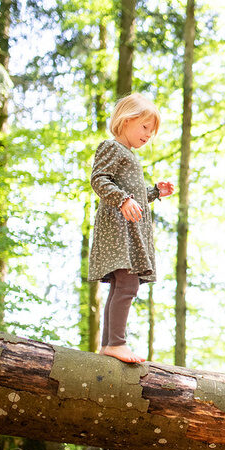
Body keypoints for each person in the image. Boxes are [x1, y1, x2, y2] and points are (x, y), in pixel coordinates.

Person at [88, 93, 175, 363]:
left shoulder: (128, 155)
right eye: (145, 127)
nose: (148, 134)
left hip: (126, 232)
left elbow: (131, 196)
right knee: (127, 284)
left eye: (152, 131)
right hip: (118, 234)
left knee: (120, 286)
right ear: (125, 121)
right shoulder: (112, 148)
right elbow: (99, 179)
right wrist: (123, 200)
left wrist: (154, 193)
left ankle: (108, 344)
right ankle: (117, 342)